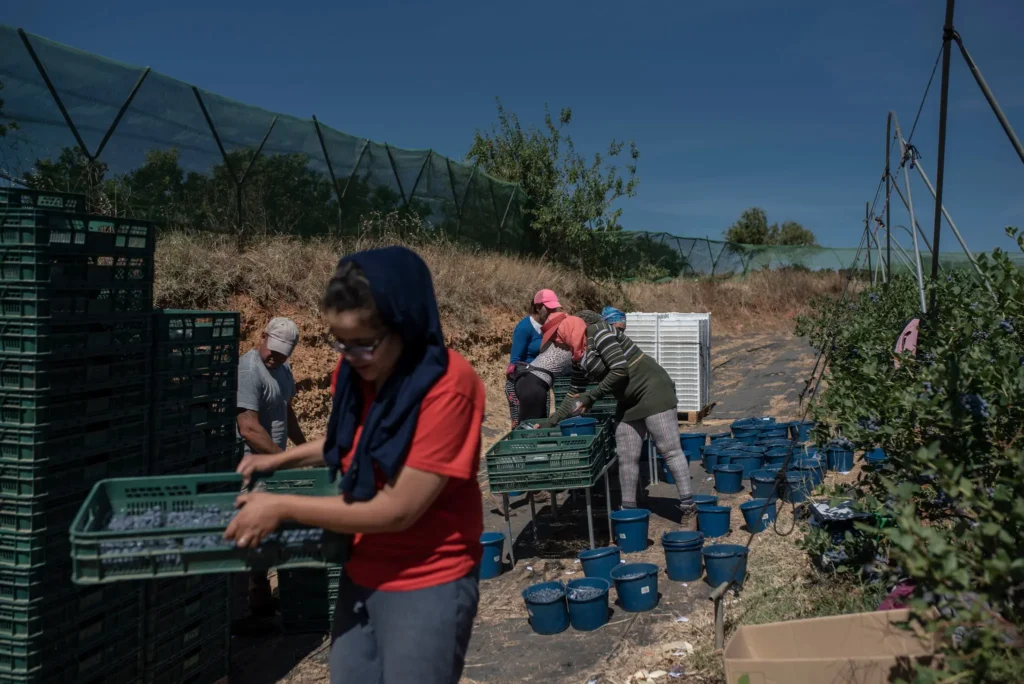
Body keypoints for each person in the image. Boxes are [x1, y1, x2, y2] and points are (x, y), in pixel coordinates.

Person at [226, 246, 484, 684]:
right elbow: (351, 444)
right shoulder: (358, 371)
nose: (349, 356)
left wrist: (283, 507)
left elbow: (398, 509)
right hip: (361, 569)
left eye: (363, 343)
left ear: (405, 323)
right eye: (338, 341)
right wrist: (278, 460)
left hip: (426, 580)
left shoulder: (448, 387)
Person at [541, 310, 696, 529]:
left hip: (652, 389)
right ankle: (629, 513)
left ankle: (689, 508)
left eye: (555, 336)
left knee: (668, 449)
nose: (556, 343)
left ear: (565, 331)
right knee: (626, 454)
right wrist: (553, 420)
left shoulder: (599, 333)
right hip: (627, 400)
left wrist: (592, 396)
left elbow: (620, 369)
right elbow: (574, 393)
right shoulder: (579, 356)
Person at [235, 317, 306, 619]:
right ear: (262, 337)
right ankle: (252, 603)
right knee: (253, 531)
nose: (275, 356)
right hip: (253, 466)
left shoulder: (284, 370)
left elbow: (284, 410)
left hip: (275, 464)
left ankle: (261, 599)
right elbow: (248, 427)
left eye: (283, 352)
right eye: (272, 349)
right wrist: (283, 459)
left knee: (269, 531)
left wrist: (303, 451)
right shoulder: (249, 369)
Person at [504, 291, 556, 429]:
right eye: (549, 308)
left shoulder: (548, 327)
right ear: (538, 307)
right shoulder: (524, 328)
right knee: (523, 428)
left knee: (541, 424)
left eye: (554, 308)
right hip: (523, 384)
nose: (553, 311)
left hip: (540, 382)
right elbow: (514, 361)